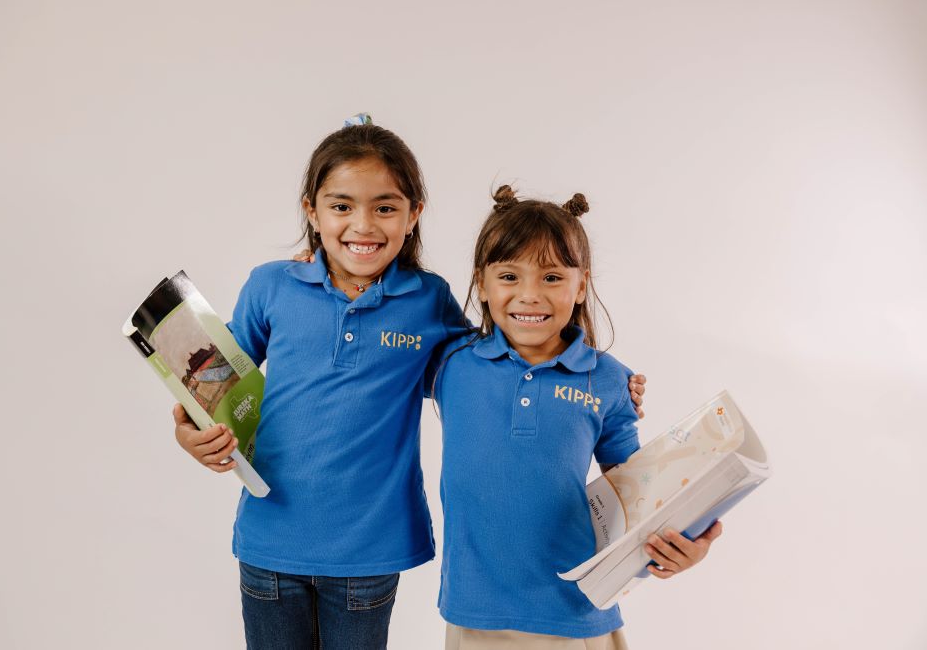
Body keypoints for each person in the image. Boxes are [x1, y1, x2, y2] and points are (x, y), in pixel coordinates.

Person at [171, 117, 647, 649]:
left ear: (414, 213)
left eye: (385, 207)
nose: (363, 225)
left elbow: (500, 354)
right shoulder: (269, 286)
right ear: (312, 209)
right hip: (268, 541)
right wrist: (192, 432)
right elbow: (217, 381)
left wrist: (604, 383)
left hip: (370, 552)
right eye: (342, 206)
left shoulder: (427, 300)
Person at [432, 186, 722, 650]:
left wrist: (687, 542)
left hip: (576, 613)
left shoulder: (607, 380)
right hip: (476, 615)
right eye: (509, 276)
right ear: (481, 284)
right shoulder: (451, 362)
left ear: (581, 284)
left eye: (551, 278)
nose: (529, 296)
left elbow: (637, 491)